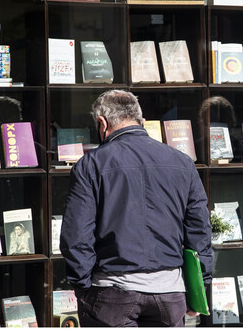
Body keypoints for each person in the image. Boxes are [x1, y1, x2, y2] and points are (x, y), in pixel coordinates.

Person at [60, 90, 214, 327]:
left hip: (112, 293)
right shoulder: (182, 162)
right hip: (170, 292)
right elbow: (200, 231)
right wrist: (199, 288)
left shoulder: (90, 165)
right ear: (140, 120)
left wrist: (83, 288)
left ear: (102, 123)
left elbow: (76, 236)